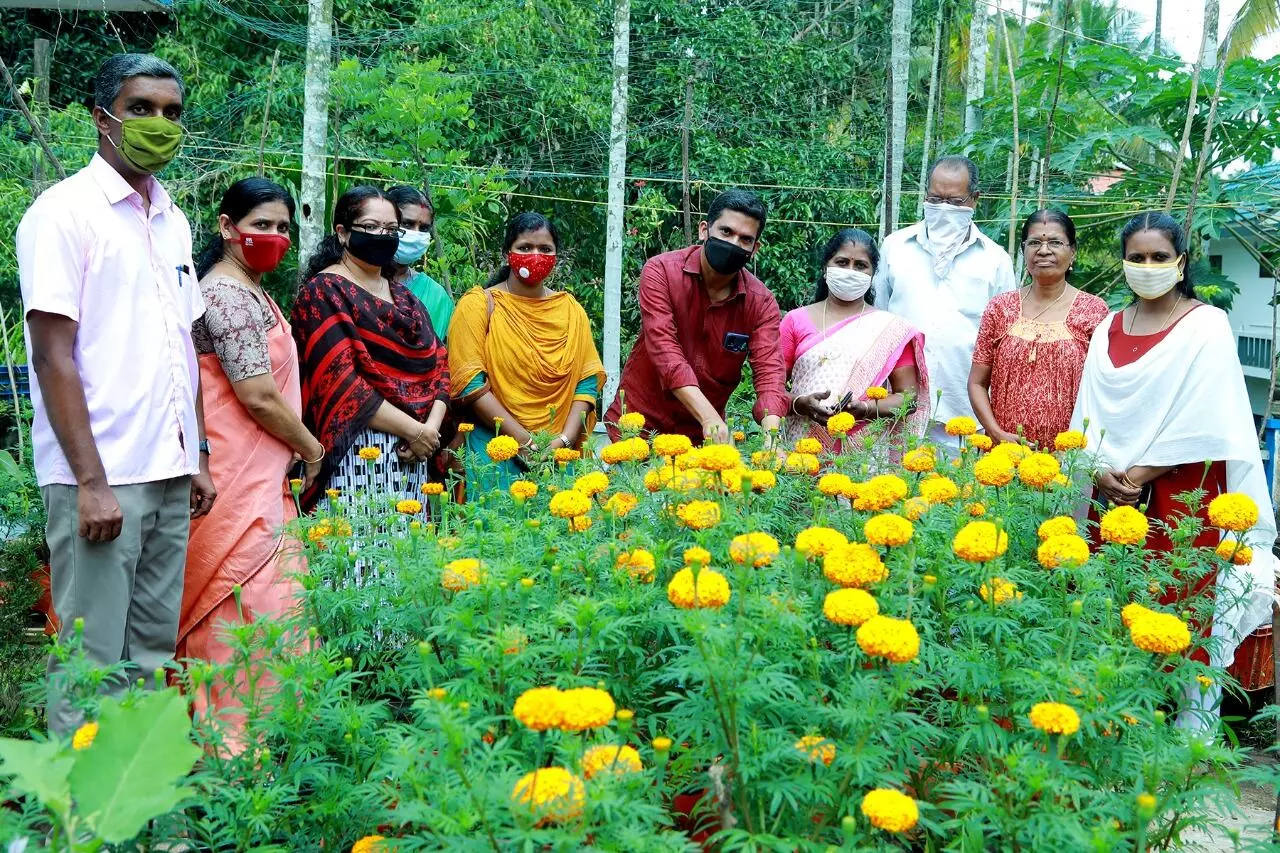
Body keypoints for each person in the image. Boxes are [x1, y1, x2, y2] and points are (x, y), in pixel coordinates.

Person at [18, 54, 215, 736]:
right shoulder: (64, 215)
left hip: (167, 471)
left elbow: (179, 349)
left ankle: (133, 822)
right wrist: (92, 482)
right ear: (102, 118)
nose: (158, 123)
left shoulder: (173, 221)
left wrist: (198, 454)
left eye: (171, 112)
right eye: (141, 108)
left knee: (149, 658)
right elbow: (50, 354)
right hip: (100, 480)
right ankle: (75, 830)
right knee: (91, 663)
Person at [1071, 211, 1276, 732]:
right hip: (1111, 491)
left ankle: (1190, 733)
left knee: (1185, 604)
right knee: (1113, 600)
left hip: (1186, 492)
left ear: (1181, 262)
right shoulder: (1106, 328)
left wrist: (1142, 472)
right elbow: (1088, 412)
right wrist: (1099, 470)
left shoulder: (1206, 324)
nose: (1147, 266)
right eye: (1137, 257)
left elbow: (1210, 415)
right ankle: (1113, 723)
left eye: (1159, 257)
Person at [179, 178, 322, 740]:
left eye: (283, 227)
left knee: (270, 607)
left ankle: (267, 743)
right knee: (243, 608)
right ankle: (235, 752)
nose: (274, 236)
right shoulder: (227, 295)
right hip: (236, 479)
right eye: (261, 225)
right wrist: (311, 447)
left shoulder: (250, 290)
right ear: (225, 226)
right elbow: (257, 393)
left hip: (259, 474)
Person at [291, 186, 451, 513]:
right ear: (343, 233)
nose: (383, 236)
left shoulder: (407, 299)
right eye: (372, 227)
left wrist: (429, 433)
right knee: (360, 558)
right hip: (356, 455)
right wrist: (414, 431)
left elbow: (439, 368)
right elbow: (342, 383)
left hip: (415, 456)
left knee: (410, 560)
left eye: (392, 230)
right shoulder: (323, 293)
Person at [605, 189, 809, 445]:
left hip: (701, 439)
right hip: (638, 427)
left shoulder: (761, 302)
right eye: (726, 232)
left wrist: (771, 439)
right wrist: (710, 418)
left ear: (754, 248)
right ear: (705, 230)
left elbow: (770, 374)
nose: (733, 243)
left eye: (745, 239)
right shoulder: (661, 272)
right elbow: (665, 352)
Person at [448, 212, 604, 491]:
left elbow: (587, 381)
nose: (535, 255)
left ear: (557, 256)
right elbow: (470, 383)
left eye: (545, 249)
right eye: (525, 248)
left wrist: (563, 442)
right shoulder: (477, 306)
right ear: (507, 253)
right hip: (492, 448)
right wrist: (524, 442)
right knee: (491, 529)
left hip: (558, 458)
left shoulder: (572, 311)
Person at [875, 156, 1017, 444]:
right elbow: (876, 322)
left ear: (974, 200)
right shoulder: (895, 248)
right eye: (935, 199)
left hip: (963, 416)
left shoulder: (996, 261)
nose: (942, 209)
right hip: (896, 409)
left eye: (954, 202)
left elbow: (1003, 343)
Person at [969, 209, 1108, 448]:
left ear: (1072, 251)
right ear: (1023, 250)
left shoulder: (1094, 310)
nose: (1044, 250)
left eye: (1055, 242)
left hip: (1069, 460)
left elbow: (1103, 392)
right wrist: (995, 432)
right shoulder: (1000, 308)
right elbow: (977, 383)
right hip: (1004, 456)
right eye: (1034, 242)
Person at [780, 228, 928, 452]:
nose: (850, 271)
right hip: (802, 449)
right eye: (841, 262)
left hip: (863, 455)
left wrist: (866, 408)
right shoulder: (795, 320)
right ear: (825, 268)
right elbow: (770, 390)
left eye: (860, 265)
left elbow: (908, 399)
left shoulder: (891, 329)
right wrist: (800, 404)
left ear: (872, 274)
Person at [386, 185, 454, 337]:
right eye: (407, 224)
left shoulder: (437, 296)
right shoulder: (355, 282)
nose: (415, 234)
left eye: (423, 228)